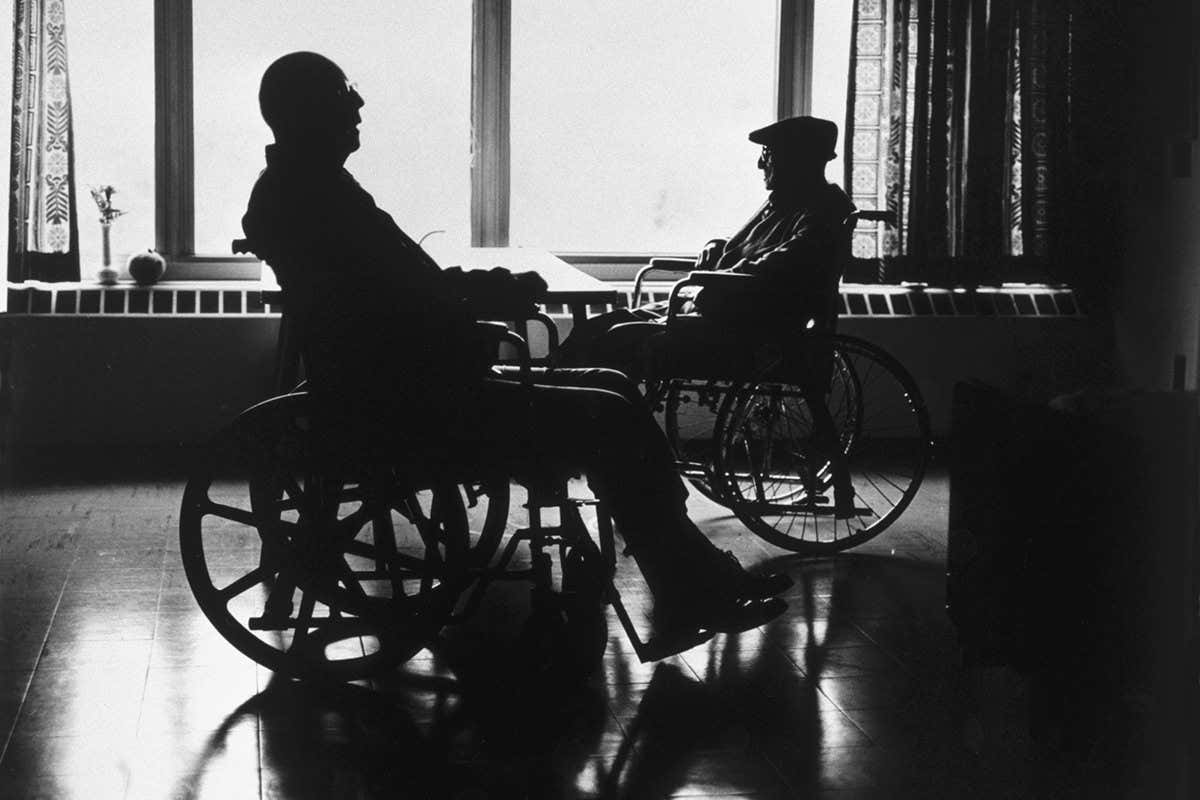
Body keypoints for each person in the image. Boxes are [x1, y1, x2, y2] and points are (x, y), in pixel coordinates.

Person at [239, 51, 790, 656]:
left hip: (402, 380)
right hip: (416, 398)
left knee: (613, 385)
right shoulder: (319, 194)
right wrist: (496, 291)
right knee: (610, 411)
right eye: (346, 94)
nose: (359, 104)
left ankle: (690, 573)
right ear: (310, 111)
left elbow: (404, 287)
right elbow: (406, 295)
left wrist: (488, 291)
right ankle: (688, 581)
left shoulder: (305, 188)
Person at [554, 115, 855, 375]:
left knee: (615, 338)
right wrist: (717, 245)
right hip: (712, 309)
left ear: (796, 158)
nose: (760, 163)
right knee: (595, 328)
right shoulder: (785, 200)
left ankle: (585, 412)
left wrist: (718, 279)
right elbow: (752, 246)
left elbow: (784, 263)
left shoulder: (827, 208)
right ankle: (554, 402)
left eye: (768, 153)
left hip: (746, 326)